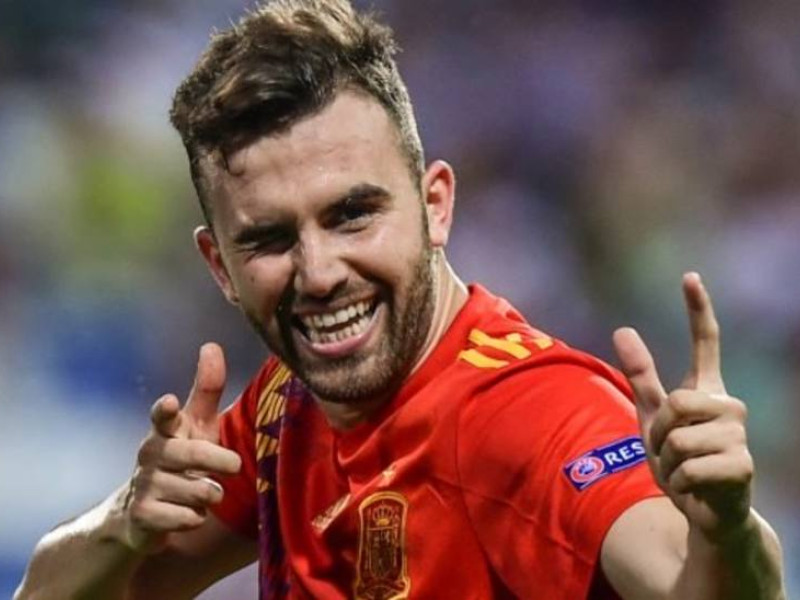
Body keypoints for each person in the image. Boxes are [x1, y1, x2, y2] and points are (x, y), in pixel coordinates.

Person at [14, 1, 786, 598]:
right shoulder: (290, 400)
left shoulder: (525, 414)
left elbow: (688, 582)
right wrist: (124, 522)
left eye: (352, 214)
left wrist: (728, 534)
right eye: (270, 239)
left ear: (435, 205)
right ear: (220, 265)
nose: (319, 273)